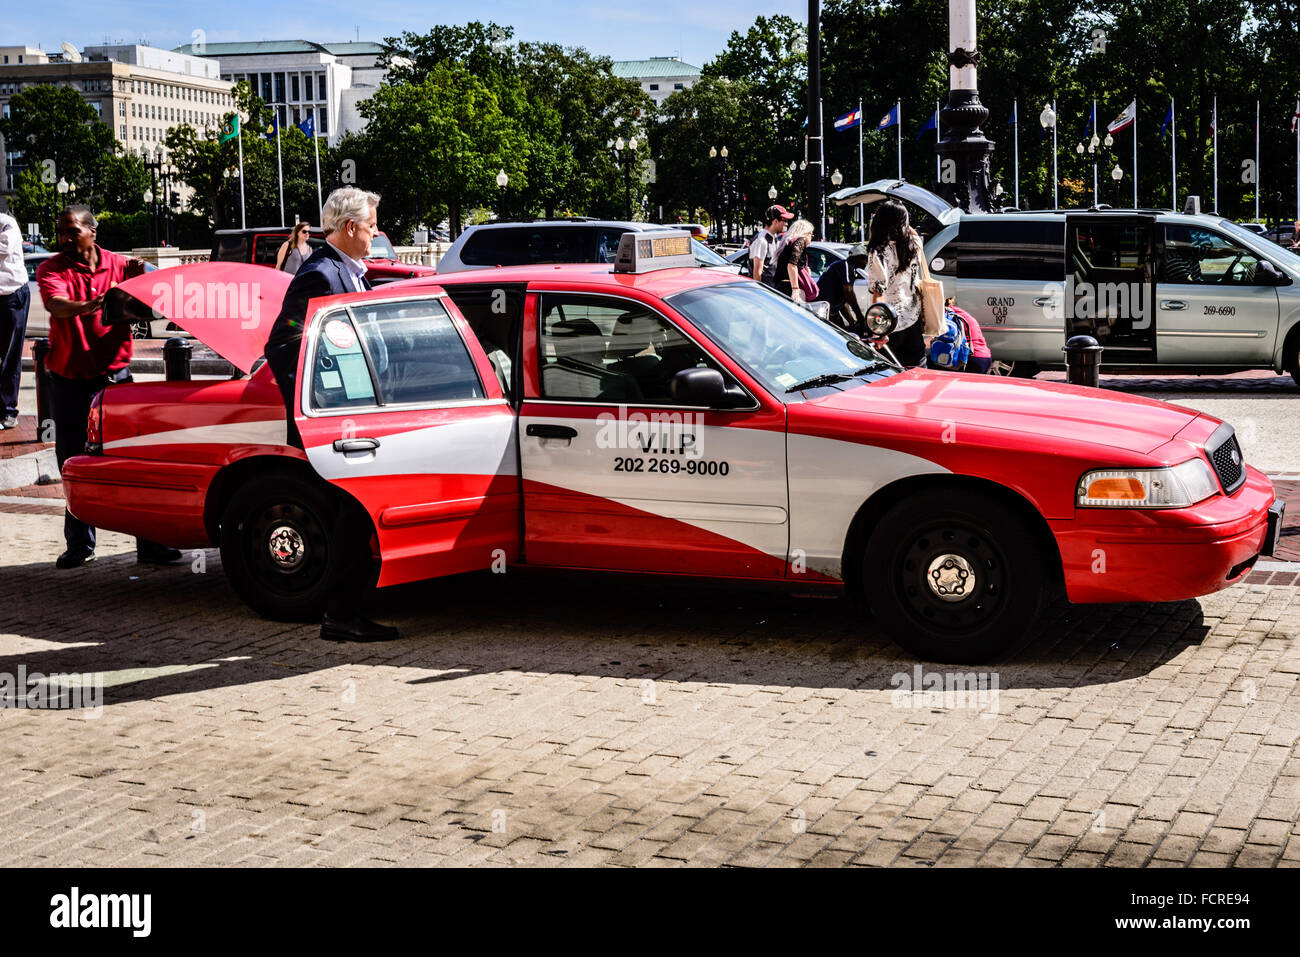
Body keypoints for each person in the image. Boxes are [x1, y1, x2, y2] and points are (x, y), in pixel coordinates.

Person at [263, 186, 400, 644]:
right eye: (372, 226)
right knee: (351, 515)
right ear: (349, 228)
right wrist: (328, 388)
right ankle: (341, 615)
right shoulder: (320, 274)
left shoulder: (353, 272)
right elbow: (281, 345)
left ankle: (346, 611)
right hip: (335, 421)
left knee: (355, 515)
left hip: (359, 417)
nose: (377, 234)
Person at [35, 206, 181, 569]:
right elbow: (57, 305)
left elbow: (158, 281)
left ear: (92, 232)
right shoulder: (50, 269)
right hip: (70, 383)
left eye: (72, 231)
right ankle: (79, 545)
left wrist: (152, 284)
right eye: (60, 231)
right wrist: (93, 304)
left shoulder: (119, 265)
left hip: (116, 379)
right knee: (73, 460)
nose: (64, 239)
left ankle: (150, 543)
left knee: (134, 460)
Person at [866, 199, 927, 367]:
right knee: (918, 371)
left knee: (888, 376)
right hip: (912, 317)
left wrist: (878, 331)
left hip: (890, 323)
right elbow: (913, 233)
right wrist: (904, 224)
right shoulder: (914, 245)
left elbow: (879, 293)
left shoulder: (878, 251)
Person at [0, 211, 29, 430]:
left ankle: (8, 410)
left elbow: (3, 249)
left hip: (11, 295)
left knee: (10, 354)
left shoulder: (7, 222)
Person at [814, 243, 870, 331]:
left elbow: (844, 301)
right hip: (825, 308)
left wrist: (851, 321)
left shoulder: (846, 266)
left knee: (843, 332)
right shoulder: (846, 266)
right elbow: (849, 293)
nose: (866, 262)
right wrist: (860, 317)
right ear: (858, 257)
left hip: (830, 309)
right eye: (865, 259)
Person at [748, 204, 793, 286]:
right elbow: (757, 274)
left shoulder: (774, 237)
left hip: (772, 289)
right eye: (785, 220)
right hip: (765, 293)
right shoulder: (761, 240)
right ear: (775, 221)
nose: (786, 224)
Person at [946, 298, 993, 373]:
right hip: (985, 356)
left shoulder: (949, 315)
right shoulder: (960, 313)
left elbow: (946, 336)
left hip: (973, 357)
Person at [774, 218, 814, 301]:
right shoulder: (800, 240)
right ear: (806, 233)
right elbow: (792, 265)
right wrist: (795, 289)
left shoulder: (788, 243)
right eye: (811, 234)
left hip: (781, 286)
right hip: (789, 288)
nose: (811, 237)